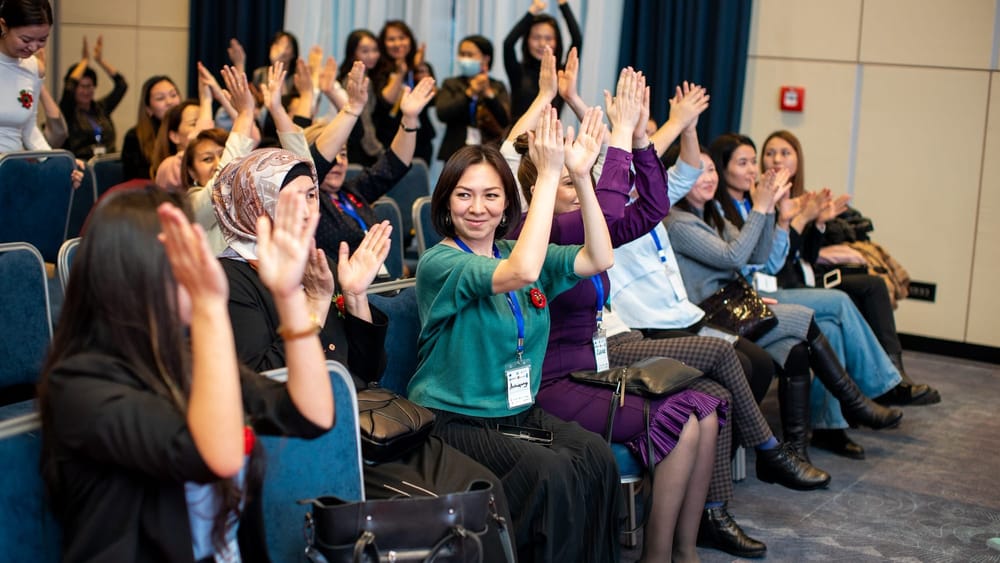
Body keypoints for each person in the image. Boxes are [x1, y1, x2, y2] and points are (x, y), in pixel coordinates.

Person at [514, 70, 827, 560]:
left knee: (709, 404)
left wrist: (638, 139)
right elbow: (616, 213)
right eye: (573, 180)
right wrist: (618, 135)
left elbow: (652, 205)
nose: (583, 186)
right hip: (558, 378)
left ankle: (685, 549)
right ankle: (660, 554)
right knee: (686, 416)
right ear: (542, 188)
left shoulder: (584, 223)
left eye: (585, 176)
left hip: (594, 367)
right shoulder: (548, 229)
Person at [212, 147, 515, 560]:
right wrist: (316, 308)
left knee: (484, 488)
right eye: (291, 198)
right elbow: (265, 381)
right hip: (313, 443)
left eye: (311, 195)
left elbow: (369, 371)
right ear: (255, 204)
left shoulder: (308, 261)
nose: (306, 209)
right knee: (453, 510)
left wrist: (354, 296)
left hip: (369, 426)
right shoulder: (232, 279)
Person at [38, 185, 334, 561]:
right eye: (185, 258)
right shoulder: (79, 386)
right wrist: (209, 306)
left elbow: (313, 414)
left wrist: (290, 296)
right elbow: (218, 456)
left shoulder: (185, 359)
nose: (204, 266)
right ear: (135, 274)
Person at [407, 110, 620, 561]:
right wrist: (547, 175)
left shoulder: (511, 249)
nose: (478, 208)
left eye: (491, 195)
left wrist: (579, 176)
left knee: (595, 455)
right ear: (446, 204)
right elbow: (520, 272)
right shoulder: (439, 263)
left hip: (517, 412)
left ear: (507, 204)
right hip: (454, 420)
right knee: (553, 473)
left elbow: (599, 257)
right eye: (464, 195)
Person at [665, 143, 905, 460]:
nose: (709, 178)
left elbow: (759, 257)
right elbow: (734, 256)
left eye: (710, 170)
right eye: (699, 172)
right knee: (807, 317)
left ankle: (799, 449)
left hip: (735, 305)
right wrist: (762, 208)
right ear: (677, 178)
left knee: (796, 346)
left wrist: (777, 220)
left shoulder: (708, 215)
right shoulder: (679, 221)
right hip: (711, 318)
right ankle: (855, 401)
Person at [759, 129, 941, 410]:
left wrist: (819, 222)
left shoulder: (802, 196)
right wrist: (800, 220)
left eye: (785, 153)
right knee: (843, 306)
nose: (777, 159)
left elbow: (805, 253)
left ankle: (891, 375)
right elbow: (775, 261)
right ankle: (881, 387)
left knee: (872, 284)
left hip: (804, 276)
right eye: (770, 153)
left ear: (798, 159)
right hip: (784, 284)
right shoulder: (764, 198)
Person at [306, 60, 435, 263]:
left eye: (344, 154)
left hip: (377, 285)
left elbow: (395, 164)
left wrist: (409, 118)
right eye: (333, 156)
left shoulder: (350, 192)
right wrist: (352, 108)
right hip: (338, 291)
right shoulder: (307, 201)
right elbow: (314, 166)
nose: (339, 162)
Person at [435, 34, 511, 162]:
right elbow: (442, 113)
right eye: (462, 54)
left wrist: (488, 94)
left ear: (486, 59)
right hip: (455, 151)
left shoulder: (497, 86)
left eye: (470, 55)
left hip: (490, 150)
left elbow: (504, 120)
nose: (464, 58)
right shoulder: (450, 83)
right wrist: (470, 93)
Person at [503, 0, 581, 120]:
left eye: (548, 38)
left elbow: (577, 40)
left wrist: (563, 4)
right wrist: (533, 10)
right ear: (527, 40)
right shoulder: (518, 71)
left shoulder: (561, 73)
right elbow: (508, 44)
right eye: (536, 37)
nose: (542, 43)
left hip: (550, 136)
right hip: (518, 137)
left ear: (557, 42)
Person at [372, 20, 435, 164]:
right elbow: (385, 102)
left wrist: (419, 70)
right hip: (389, 139)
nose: (398, 43)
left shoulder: (421, 66)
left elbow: (433, 101)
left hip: (421, 139)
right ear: (383, 43)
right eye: (391, 39)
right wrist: (401, 73)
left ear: (410, 40)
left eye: (402, 38)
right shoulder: (378, 69)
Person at [60, 35, 128, 159]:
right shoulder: (67, 110)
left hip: (106, 164)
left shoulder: (101, 108)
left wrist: (100, 61)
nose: (86, 91)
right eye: (81, 86)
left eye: (90, 86)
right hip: (81, 165)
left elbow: (121, 85)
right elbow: (69, 86)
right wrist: (85, 61)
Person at [0, 0, 51, 152]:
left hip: (11, 168)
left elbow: (29, 130)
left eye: (42, 40)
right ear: (3, 26)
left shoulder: (34, 68)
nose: (34, 47)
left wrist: (56, 162)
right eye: (26, 40)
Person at [334, 29, 382, 167]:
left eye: (375, 50)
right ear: (353, 53)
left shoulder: (362, 76)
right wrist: (378, 151)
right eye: (365, 51)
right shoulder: (357, 80)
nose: (372, 56)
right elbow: (364, 120)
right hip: (358, 147)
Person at [121, 75, 181, 180]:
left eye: (173, 95)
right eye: (160, 98)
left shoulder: (187, 130)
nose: (169, 102)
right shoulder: (135, 137)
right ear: (148, 109)